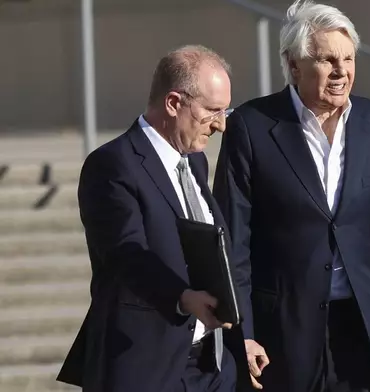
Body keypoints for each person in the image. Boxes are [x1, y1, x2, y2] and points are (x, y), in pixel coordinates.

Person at [212, 1, 370, 391]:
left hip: (362, 326)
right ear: (293, 65)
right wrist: (244, 331)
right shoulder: (251, 127)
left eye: (348, 59)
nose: (341, 71)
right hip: (283, 332)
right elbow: (233, 242)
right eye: (327, 60)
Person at [56, 45, 244, 392]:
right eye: (212, 111)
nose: (220, 124)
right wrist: (183, 297)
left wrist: (242, 340)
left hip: (213, 368)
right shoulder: (112, 165)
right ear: (174, 103)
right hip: (148, 368)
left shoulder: (195, 161)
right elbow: (126, 254)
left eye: (225, 110)